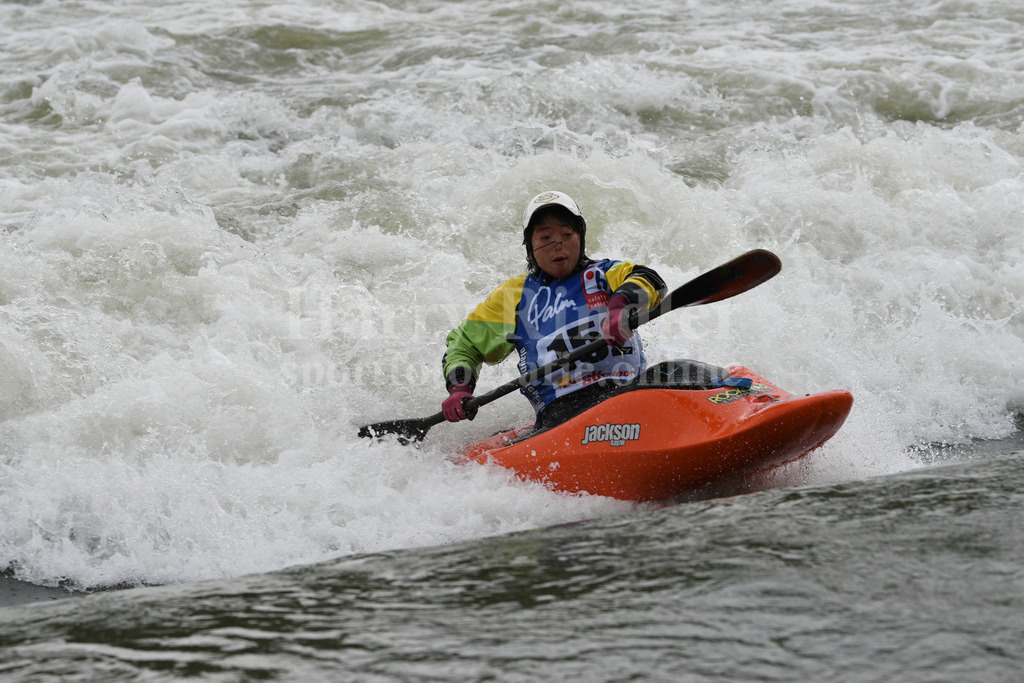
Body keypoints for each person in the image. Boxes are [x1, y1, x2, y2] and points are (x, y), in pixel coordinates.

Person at [441, 191, 667, 430]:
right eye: (546, 237)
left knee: (681, 371)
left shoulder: (605, 273)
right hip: (562, 414)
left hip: (629, 394)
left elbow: (648, 279)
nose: (558, 246)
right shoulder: (514, 295)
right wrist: (460, 388)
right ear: (531, 246)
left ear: (580, 238)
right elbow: (465, 345)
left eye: (567, 235)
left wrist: (621, 304)